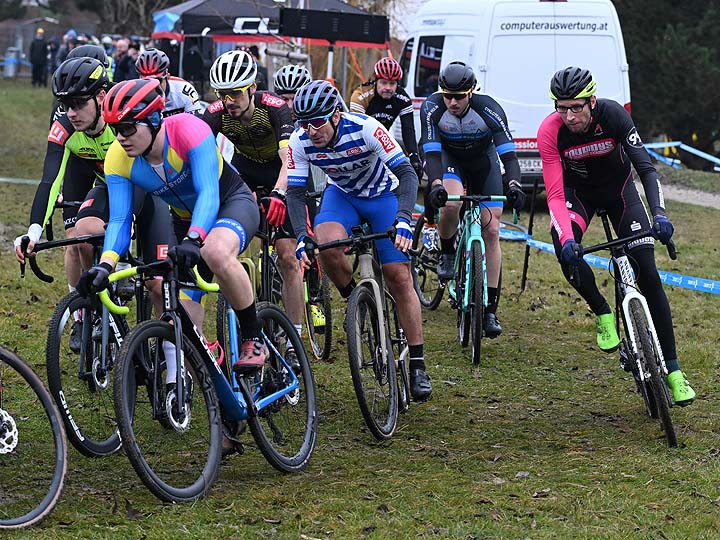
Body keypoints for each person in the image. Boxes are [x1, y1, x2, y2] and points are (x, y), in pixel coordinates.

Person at [77, 78, 265, 383]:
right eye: (115, 129)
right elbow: (121, 220)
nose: (120, 138)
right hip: (185, 222)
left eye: (127, 128)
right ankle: (209, 394)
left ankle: (253, 337)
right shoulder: (118, 158)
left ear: (153, 120)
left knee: (215, 252)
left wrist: (195, 238)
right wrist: (105, 265)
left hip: (229, 203)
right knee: (182, 321)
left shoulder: (189, 129)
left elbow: (208, 192)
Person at [537, 66, 695, 405]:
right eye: (561, 108)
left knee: (648, 272)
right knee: (563, 247)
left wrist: (660, 214)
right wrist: (567, 240)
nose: (569, 116)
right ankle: (603, 311)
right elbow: (554, 196)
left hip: (620, 193)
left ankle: (674, 371)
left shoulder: (614, 116)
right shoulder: (550, 131)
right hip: (577, 195)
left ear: (592, 101)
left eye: (576, 107)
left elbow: (646, 169)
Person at [285, 80, 432, 401]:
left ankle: (418, 364)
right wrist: (301, 236)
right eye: (304, 123)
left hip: (383, 196)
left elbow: (407, 174)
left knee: (398, 276)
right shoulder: (300, 140)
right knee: (326, 244)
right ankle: (356, 299)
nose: (311, 131)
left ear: (336, 116)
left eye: (317, 122)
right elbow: (294, 193)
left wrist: (404, 219)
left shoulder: (367, 128)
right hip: (343, 197)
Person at [203, 50, 304, 366]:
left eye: (235, 93)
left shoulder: (274, 108)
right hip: (243, 170)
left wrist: (279, 193)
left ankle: (294, 338)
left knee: (288, 256)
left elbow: (289, 159)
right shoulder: (216, 112)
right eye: (222, 93)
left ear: (252, 88)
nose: (228, 100)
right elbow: (199, 152)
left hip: (279, 169)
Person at [14, 58, 115, 349]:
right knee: (81, 237)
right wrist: (33, 232)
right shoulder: (66, 126)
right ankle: (87, 310)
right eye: (65, 105)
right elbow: (49, 181)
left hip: (142, 190)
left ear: (101, 97)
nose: (71, 112)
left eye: (78, 104)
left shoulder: (121, 118)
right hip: (103, 184)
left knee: (157, 283)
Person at [420, 61, 525, 338]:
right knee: (451, 203)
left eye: (458, 96)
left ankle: (490, 310)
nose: (452, 102)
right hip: (449, 159)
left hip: (483, 162)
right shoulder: (432, 108)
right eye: (447, 96)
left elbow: (509, 157)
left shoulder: (489, 109)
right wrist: (436, 185)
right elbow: (432, 154)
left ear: (471, 91)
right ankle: (446, 251)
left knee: (492, 230)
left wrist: (514, 185)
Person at [349, 57, 423, 179]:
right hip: (361, 137)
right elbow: (356, 132)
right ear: (376, 81)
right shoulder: (360, 96)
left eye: (392, 83)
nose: (388, 88)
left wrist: (414, 157)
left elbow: (408, 130)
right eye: (383, 83)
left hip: (383, 137)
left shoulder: (403, 99)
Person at [136, 47, 202, 117]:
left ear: (167, 75)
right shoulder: (134, 95)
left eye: (158, 81)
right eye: (147, 82)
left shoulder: (185, 90)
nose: (153, 87)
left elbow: (196, 121)